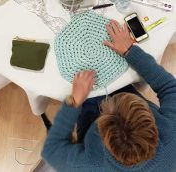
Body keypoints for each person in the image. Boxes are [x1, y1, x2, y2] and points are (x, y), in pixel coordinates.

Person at [42, 20, 176, 171]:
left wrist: (74, 102)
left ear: (103, 135)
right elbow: (170, 87)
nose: (109, 99)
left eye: (105, 109)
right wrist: (129, 51)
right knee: (117, 79)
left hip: (89, 123)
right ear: (151, 122)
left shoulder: (89, 166)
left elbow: (51, 151)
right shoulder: (173, 133)